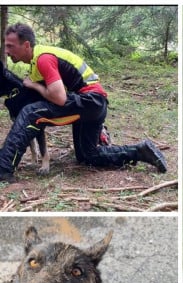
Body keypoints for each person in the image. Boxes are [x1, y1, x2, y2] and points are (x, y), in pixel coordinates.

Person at [0, 22, 167, 182]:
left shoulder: (43, 58)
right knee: (88, 156)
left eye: (10, 46)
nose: (6, 51)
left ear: (26, 45)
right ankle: (140, 151)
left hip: (89, 100)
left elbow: (59, 98)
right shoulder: (37, 61)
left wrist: (35, 85)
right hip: (94, 105)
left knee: (30, 112)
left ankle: (3, 167)